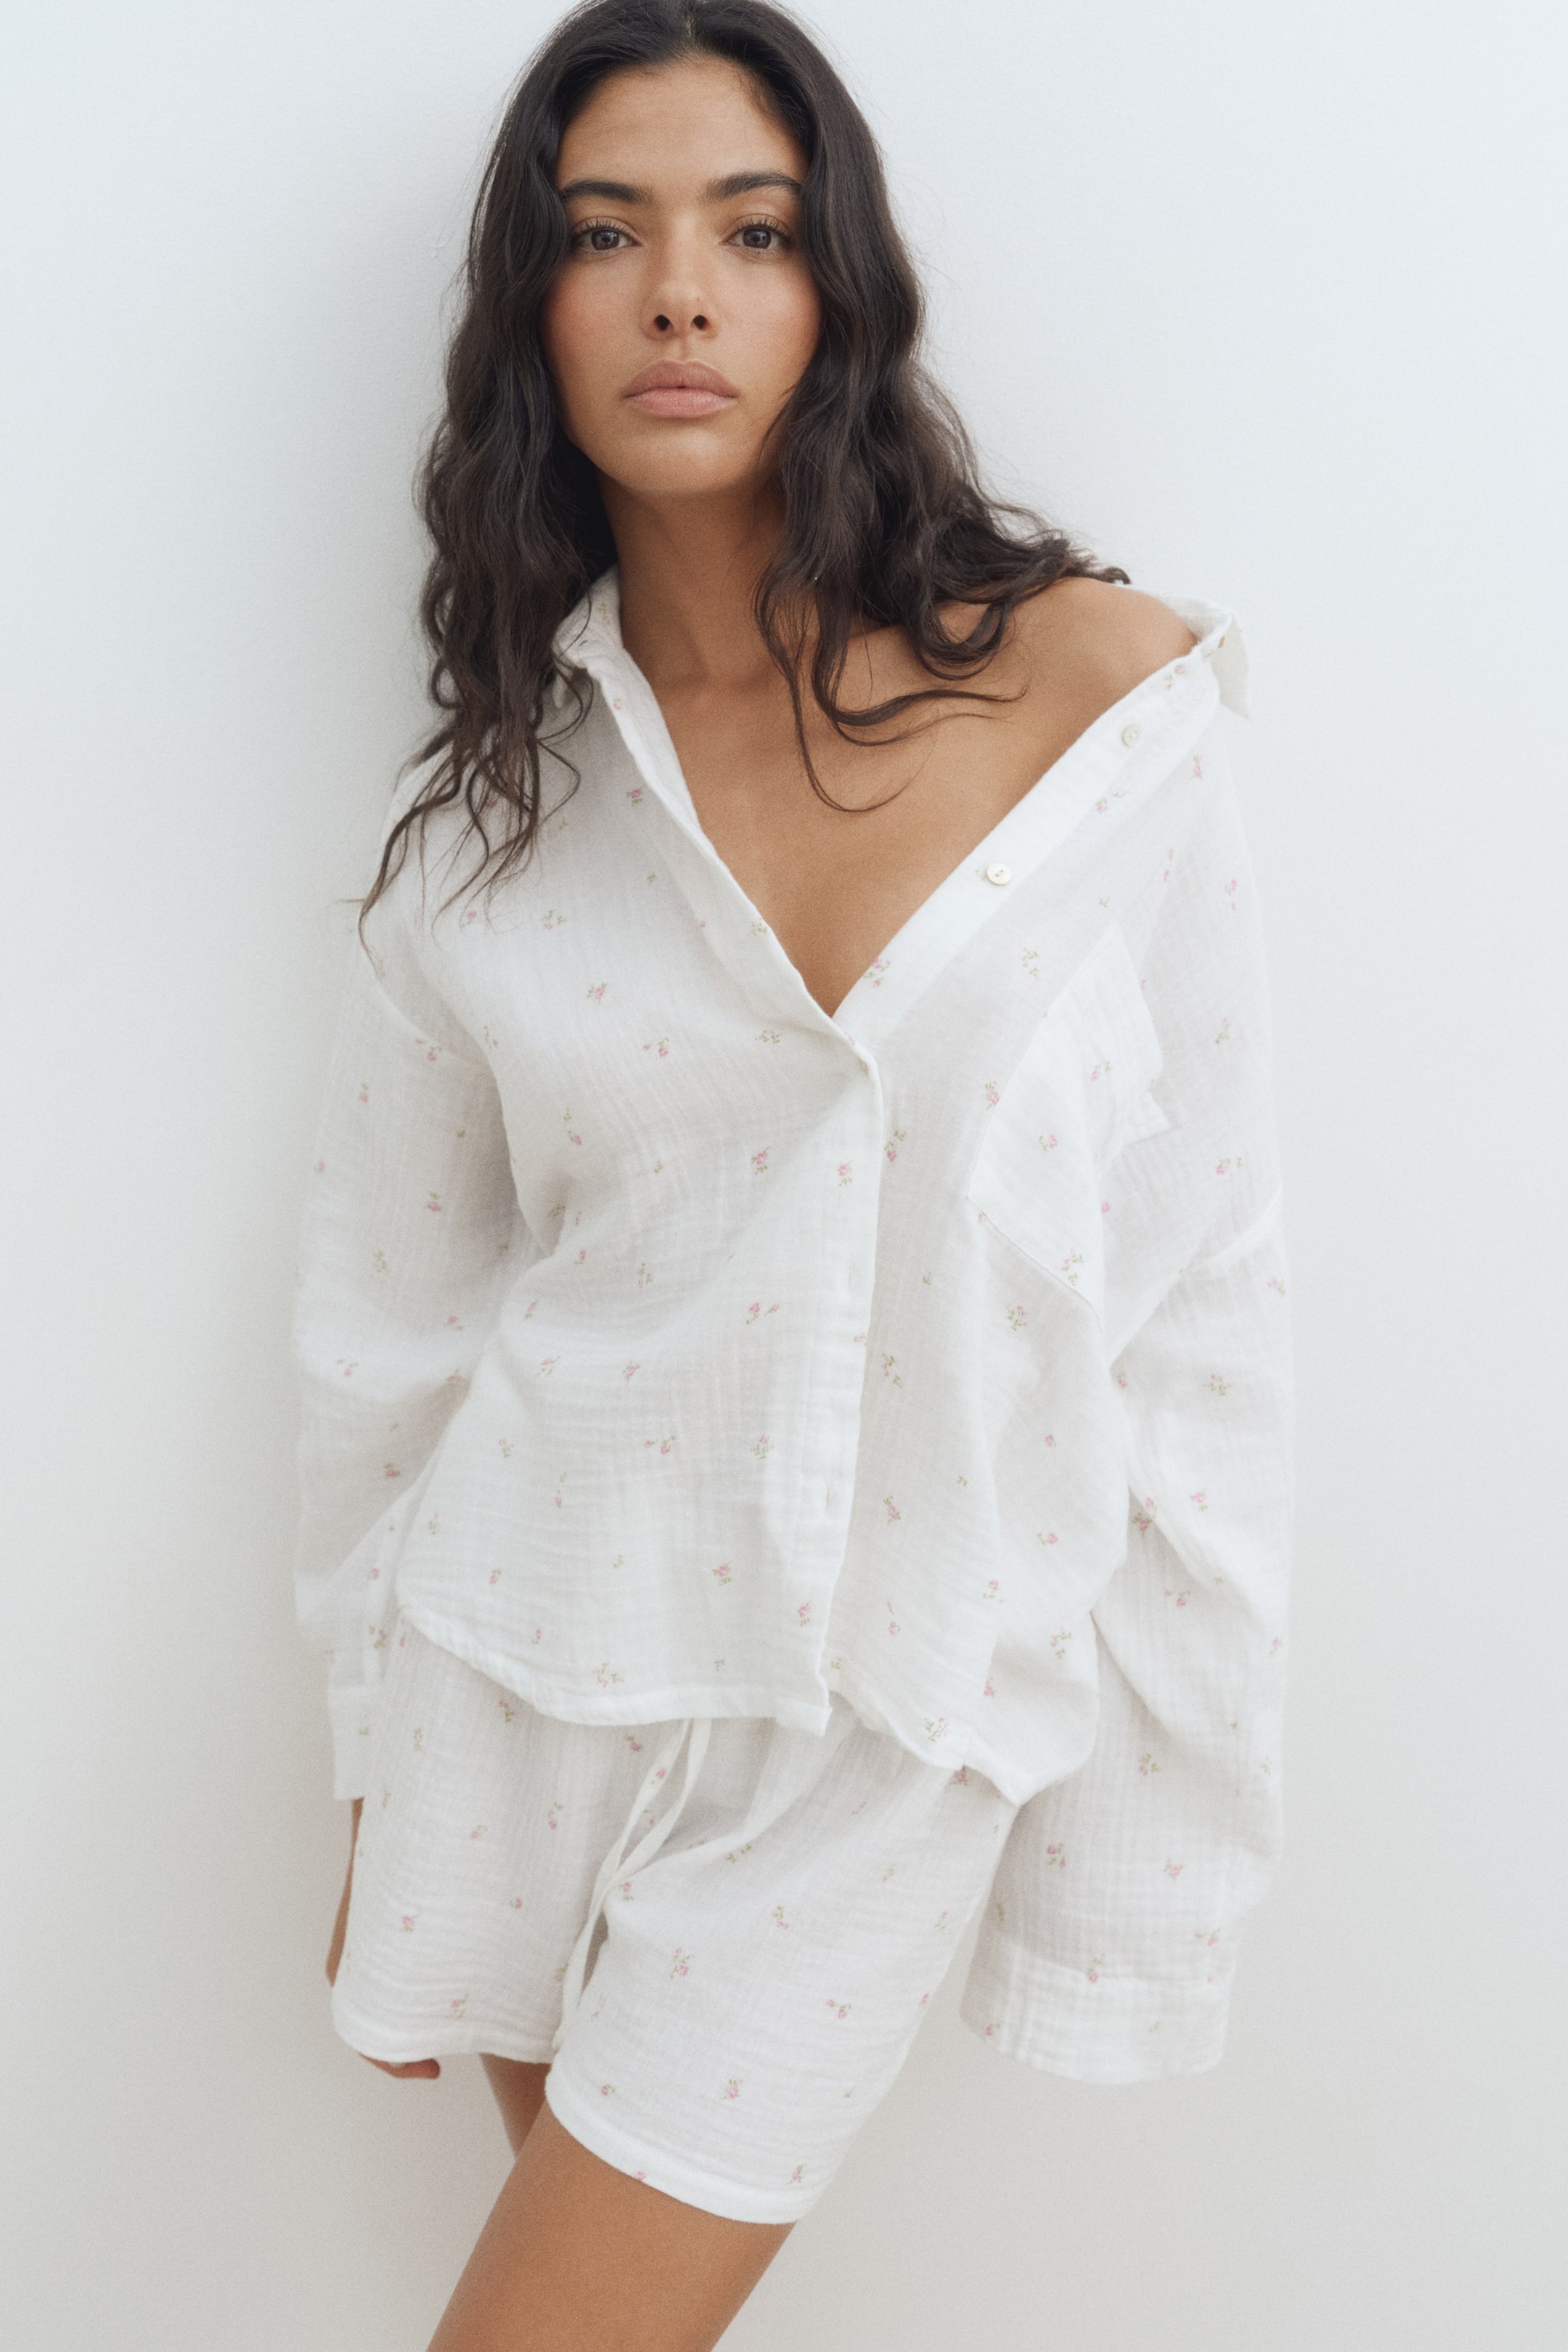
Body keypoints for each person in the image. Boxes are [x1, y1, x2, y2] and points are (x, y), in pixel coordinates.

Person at [292, 1, 1293, 2343]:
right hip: (522, 1673)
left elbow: (1203, 1302)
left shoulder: (1099, 706)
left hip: (889, 1719)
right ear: (532, 311)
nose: (679, 294)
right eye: (604, 235)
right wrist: (378, 1796)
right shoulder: (492, 844)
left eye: (751, 233)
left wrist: (1157, 1844)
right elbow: (388, 1347)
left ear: (839, 289)